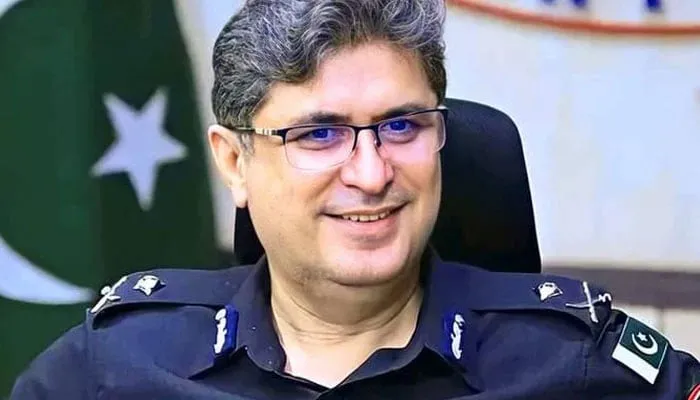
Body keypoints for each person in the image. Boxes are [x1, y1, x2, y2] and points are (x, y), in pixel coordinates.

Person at [11, 0, 700, 399]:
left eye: (402, 126)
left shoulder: (576, 366)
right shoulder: (116, 365)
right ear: (235, 162)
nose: (371, 175)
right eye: (319, 134)